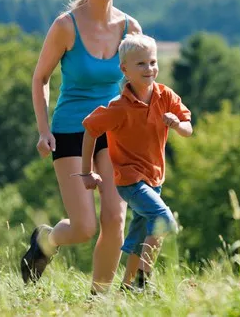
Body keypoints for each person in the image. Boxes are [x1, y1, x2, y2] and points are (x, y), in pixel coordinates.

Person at [20, 0, 142, 294]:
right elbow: (40, 78)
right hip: (72, 131)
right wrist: (44, 131)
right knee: (84, 227)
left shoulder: (130, 27)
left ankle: (98, 299)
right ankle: (46, 240)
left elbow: (139, 82)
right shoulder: (65, 27)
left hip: (115, 131)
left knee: (115, 219)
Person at [80, 34, 193, 291]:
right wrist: (86, 172)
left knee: (140, 235)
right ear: (124, 69)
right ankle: (143, 280)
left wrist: (177, 125)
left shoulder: (165, 96)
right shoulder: (118, 107)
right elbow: (90, 129)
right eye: (141, 64)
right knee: (164, 220)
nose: (149, 68)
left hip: (155, 178)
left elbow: (188, 128)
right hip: (130, 180)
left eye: (153, 62)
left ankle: (129, 287)